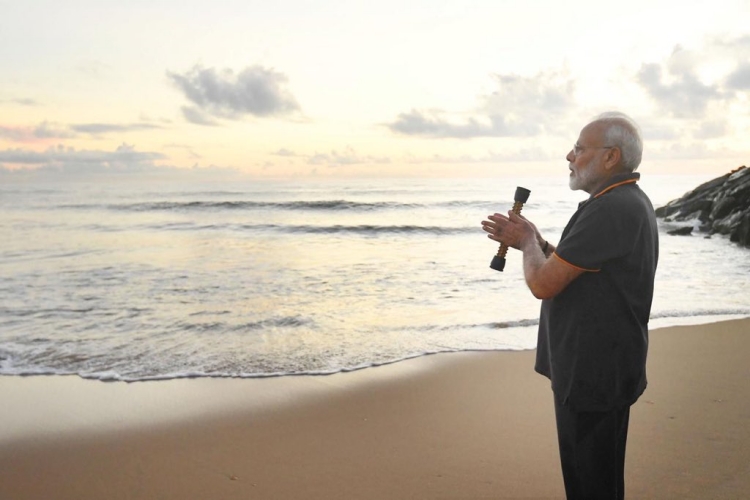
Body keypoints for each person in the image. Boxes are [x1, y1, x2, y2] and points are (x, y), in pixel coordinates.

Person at [481, 111, 659, 500]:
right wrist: (540, 245)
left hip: (593, 371)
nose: (569, 156)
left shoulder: (610, 208)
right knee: (601, 480)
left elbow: (543, 284)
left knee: (590, 485)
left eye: (579, 148)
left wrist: (527, 242)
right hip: (605, 366)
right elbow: (578, 267)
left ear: (611, 157)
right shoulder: (624, 201)